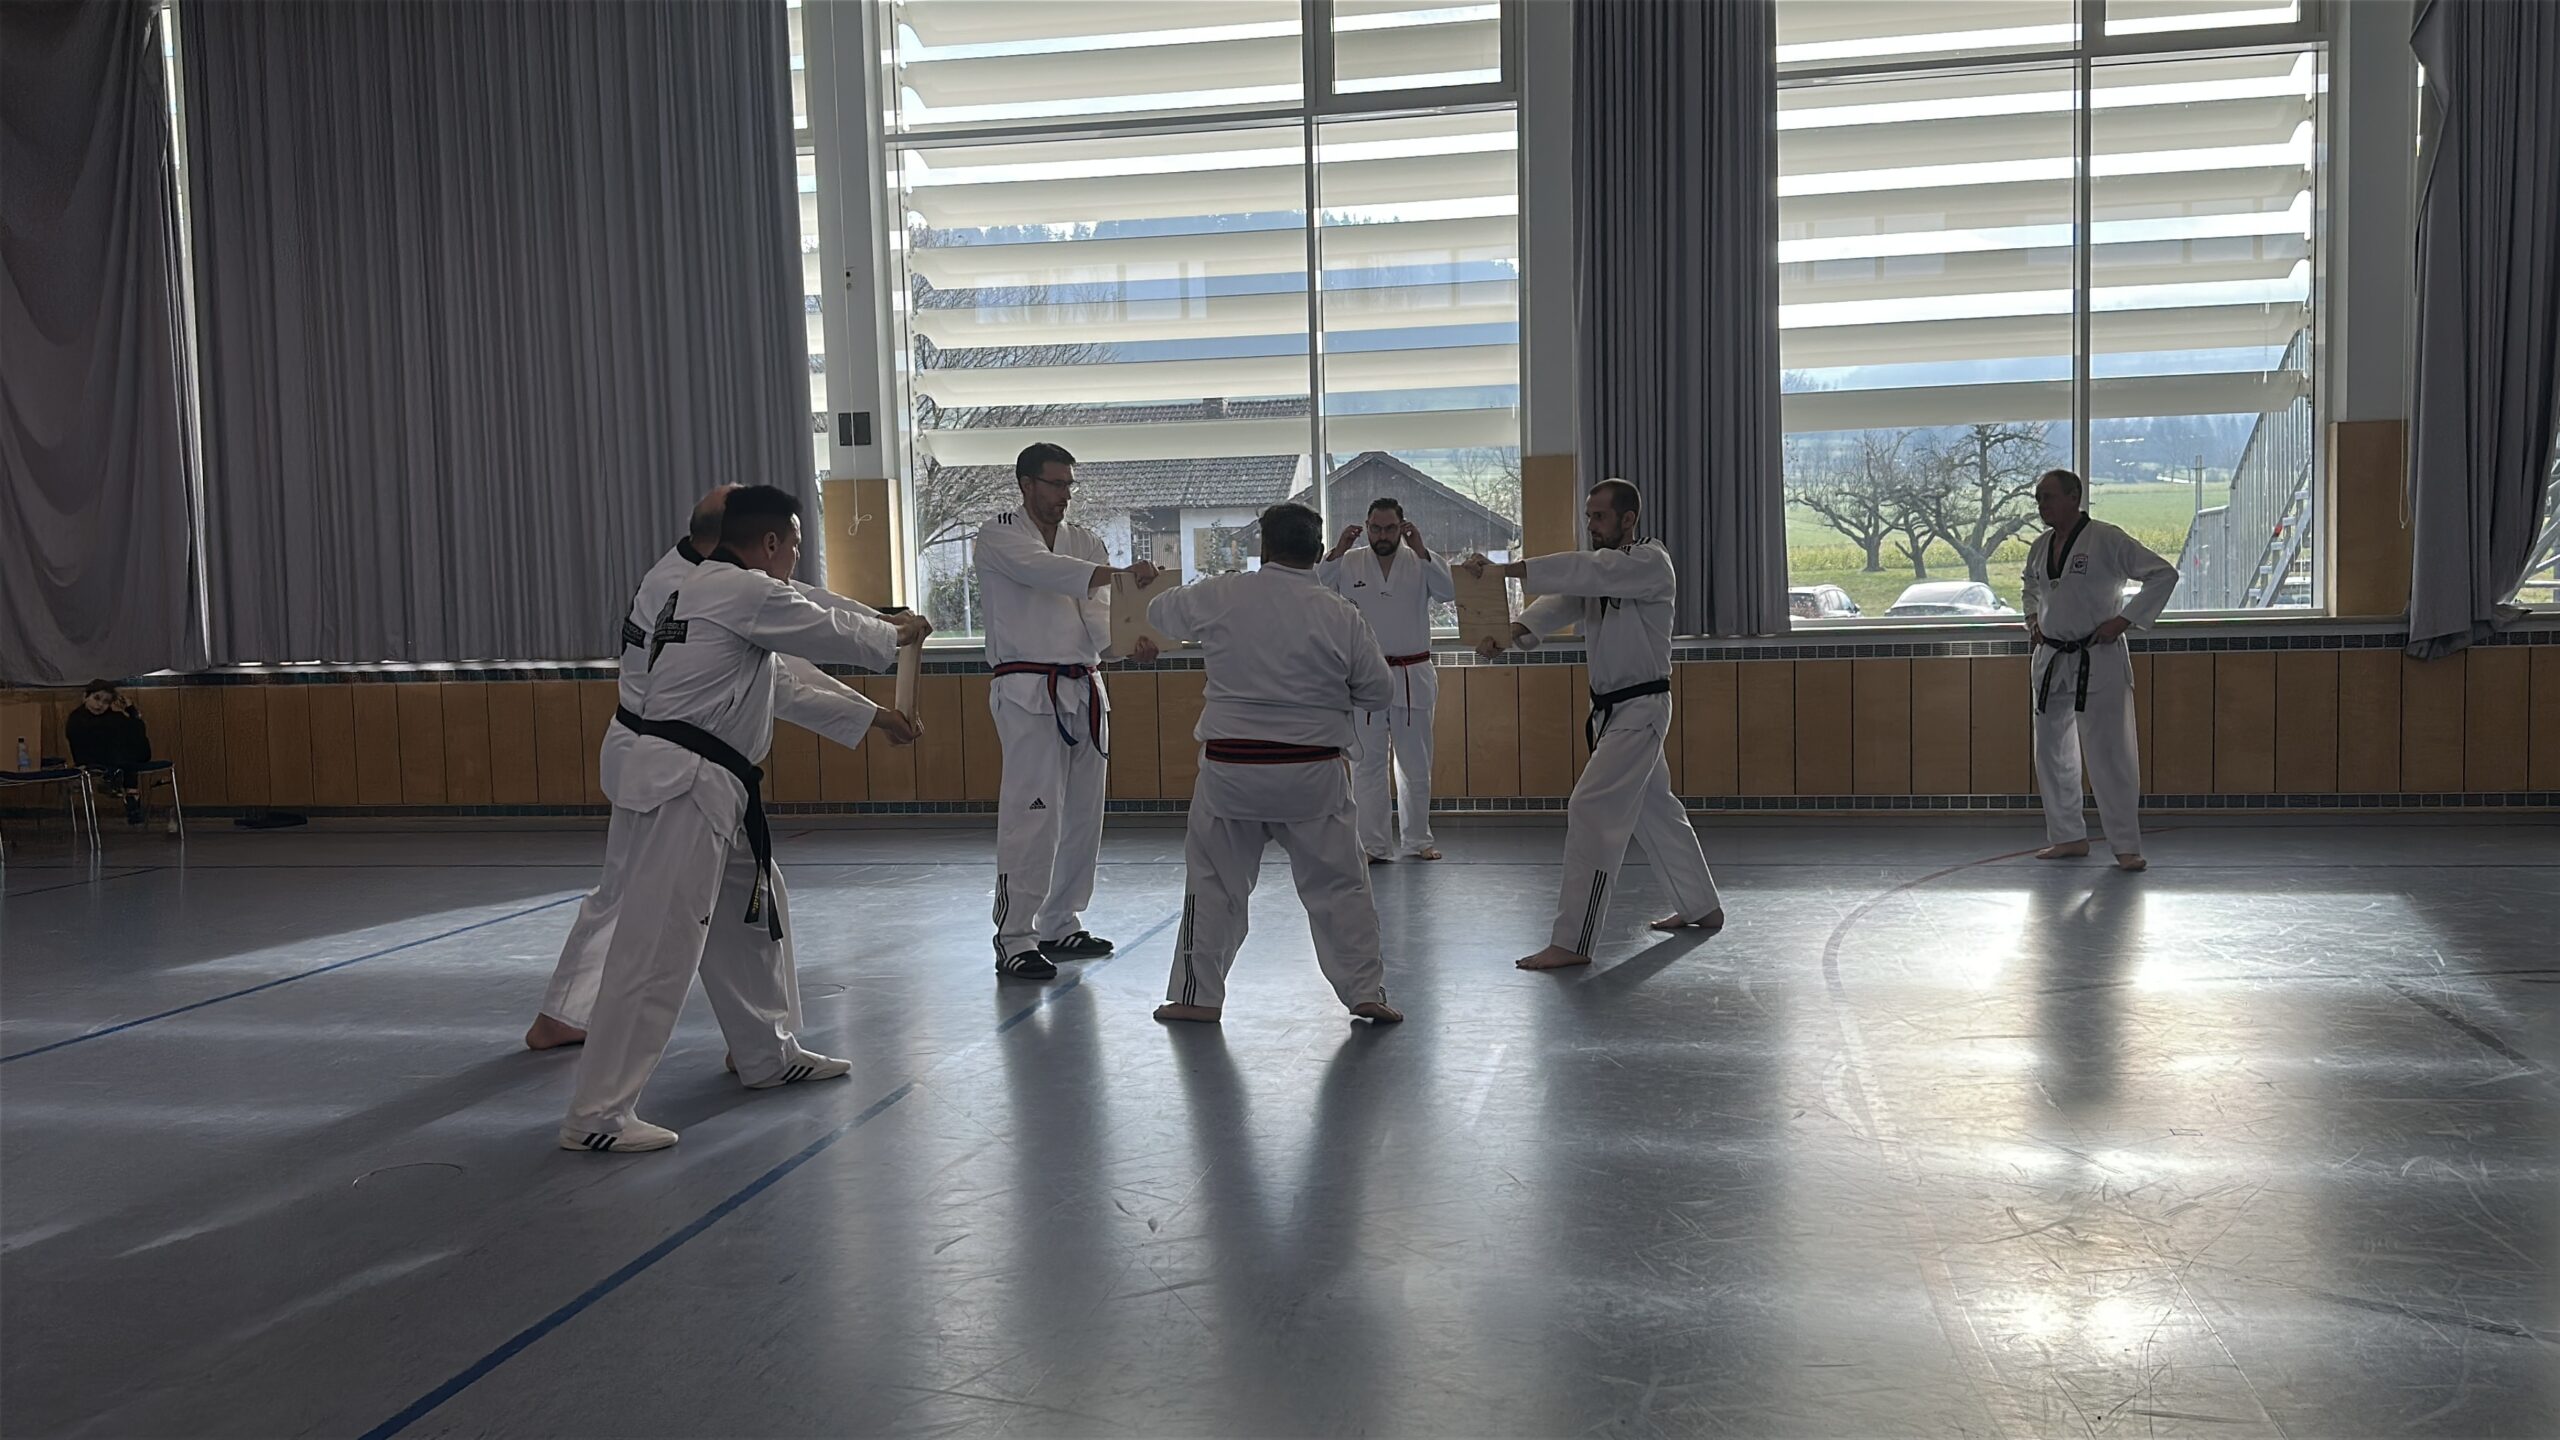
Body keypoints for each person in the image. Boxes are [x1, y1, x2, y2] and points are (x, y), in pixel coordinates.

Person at [559, 486, 914, 1153]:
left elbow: (782, 671)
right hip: (686, 787)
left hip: (698, 781)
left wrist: (872, 709)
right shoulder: (745, 592)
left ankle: (766, 1053)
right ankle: (597, 1116)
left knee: (754, 913)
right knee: (658, 945)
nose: (796, 561)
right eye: (796, 546)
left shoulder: (693, 584)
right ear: (772, 543)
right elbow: (830, 629)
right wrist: (894, 633)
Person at [1146, 502, 1403, 1025]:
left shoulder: (1220, 594)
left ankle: (1196, 997)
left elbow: (1157, 612)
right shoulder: (1339, 614)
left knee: (1214, 884)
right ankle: (1364, 992)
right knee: (1341, 886)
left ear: (1263, 547)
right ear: (1317, 551)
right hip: (1312, 773)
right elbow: (1379, 691)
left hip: (1231, 771)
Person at [1464, 479, 1723, 971]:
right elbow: (1565, 598)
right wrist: (1508, 633)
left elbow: (1589, 570)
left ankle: (1573, 941)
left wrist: (1509, 569)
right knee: (1655, 810)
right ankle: (1701, 906)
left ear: (1628, 519)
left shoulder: (1649, 562)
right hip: (1614, 713)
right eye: (1588, 516)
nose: (1591, 525)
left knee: (1590, 807)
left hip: (1641, 710)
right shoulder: (1603, 573)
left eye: (1599, 517)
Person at [973, 442, 1160, 981]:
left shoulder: (1085, 540)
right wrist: (1116, 574)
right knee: (1033, 814)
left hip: (1085, 687)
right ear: (1027, 484)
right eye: (1056, 484)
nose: (1065, 495)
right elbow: (1044, 571)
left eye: (1069, 486)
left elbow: (1097, 620)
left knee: (1082, 814)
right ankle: (1015, 936)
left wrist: (1128, 644)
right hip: (1028, 690)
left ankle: (1061, 921)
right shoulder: (999, 533)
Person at [2021, 467, 2178, 872]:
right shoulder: (2040, 546)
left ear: (2074, 497)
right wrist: (2032, 620)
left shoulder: (2106, 539)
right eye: (2038, 499)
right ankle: (2067, 837)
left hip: (2098, 656)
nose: (2042, 505)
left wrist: (2123, 621)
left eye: (2048, 497)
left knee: (2110, 753)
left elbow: (2163, 574)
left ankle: (2126, 846)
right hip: (2051, 658)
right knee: (2051, 752)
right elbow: (2031, 587)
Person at [1316, 498, 1454, 863]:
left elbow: (1448, 592)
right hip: (1365, 675)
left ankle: (1418, 840)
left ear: (1402, 527)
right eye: (1375, 528)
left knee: (1415, 763)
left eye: (1390, 528)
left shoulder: (1419, 561)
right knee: (1367, 764)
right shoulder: (1349, 561)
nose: (1382, 535)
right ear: (1366, 527)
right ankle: (1372, 845)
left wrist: (1422, 549)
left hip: (1413, 673)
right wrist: (1337, 551)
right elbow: (1315, 589)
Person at [64, 681, 153, 825]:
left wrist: (130, 709)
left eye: (106, 702)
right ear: (85, 697)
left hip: (117, 758)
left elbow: (138, 733)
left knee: (130, 743)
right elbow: (81, 746)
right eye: (97, 698)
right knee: (122, 751)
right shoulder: (76, 718)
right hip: (90, 758)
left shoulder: (113, 717)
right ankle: (130, 793)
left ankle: (124, 787)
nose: (100, 705)